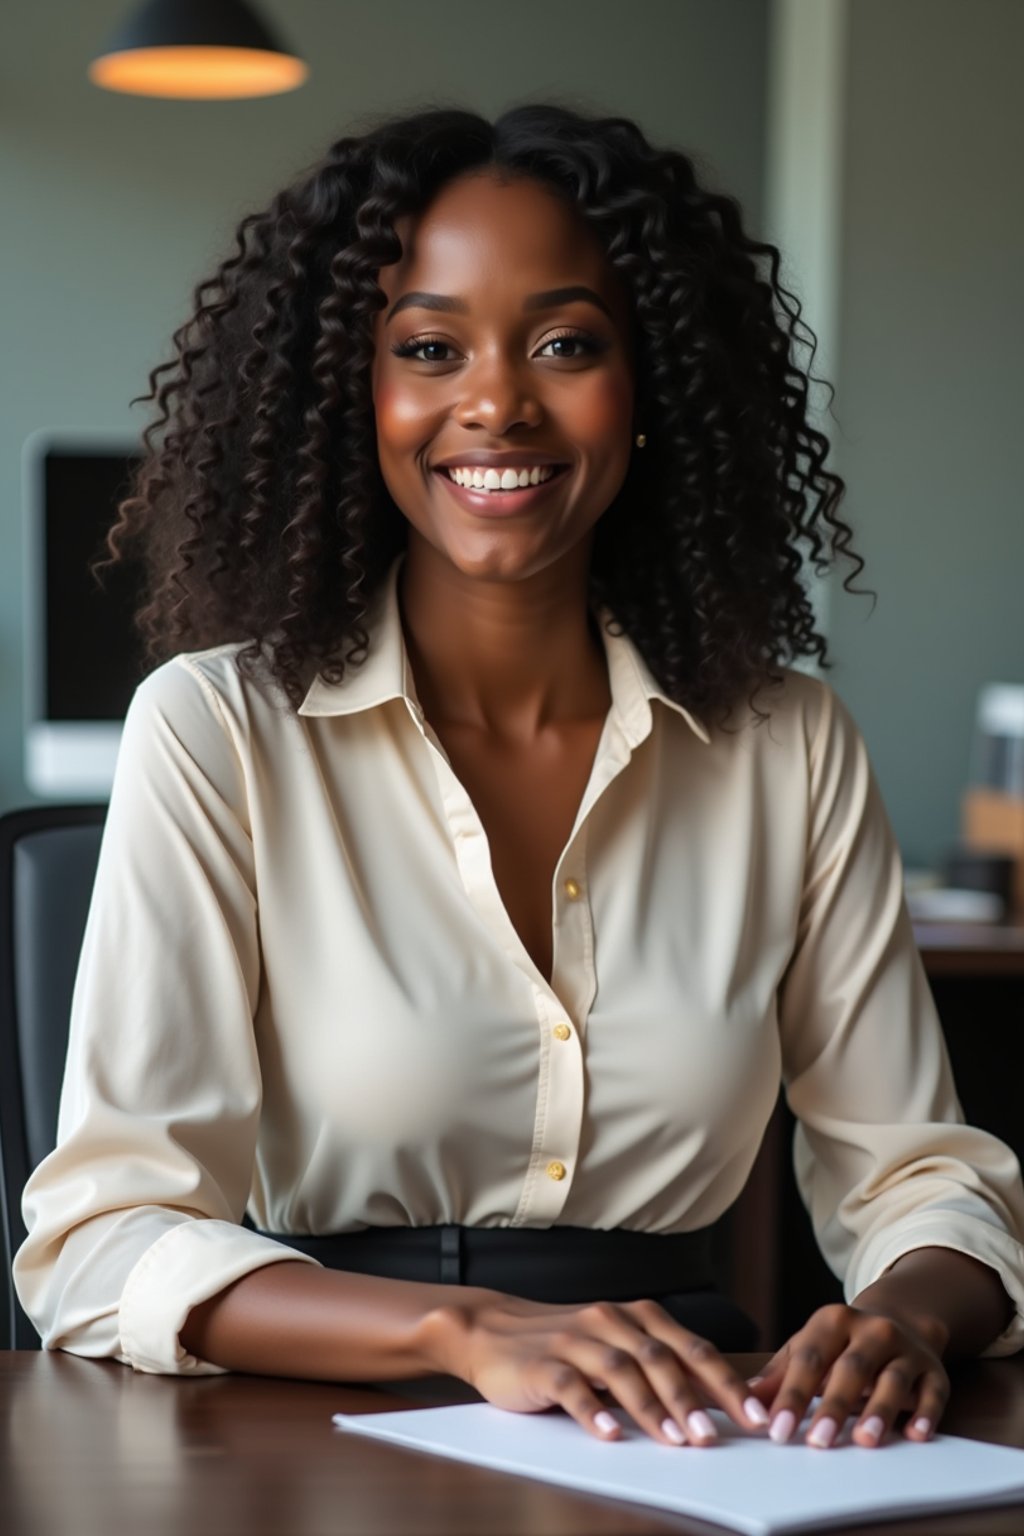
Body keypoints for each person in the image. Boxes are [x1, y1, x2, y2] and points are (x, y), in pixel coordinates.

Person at [14, 102, 1024, 1456]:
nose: (496, 399)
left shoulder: (787, 742)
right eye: (429, 349)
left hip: (686, 1436)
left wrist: (907, 1315)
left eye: (566, 343)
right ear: (351, 398)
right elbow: (102, 1239)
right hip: (301, 1433)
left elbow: (919, 1172)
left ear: (650, 385)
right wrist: (461, 1331)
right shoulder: (215, 730)